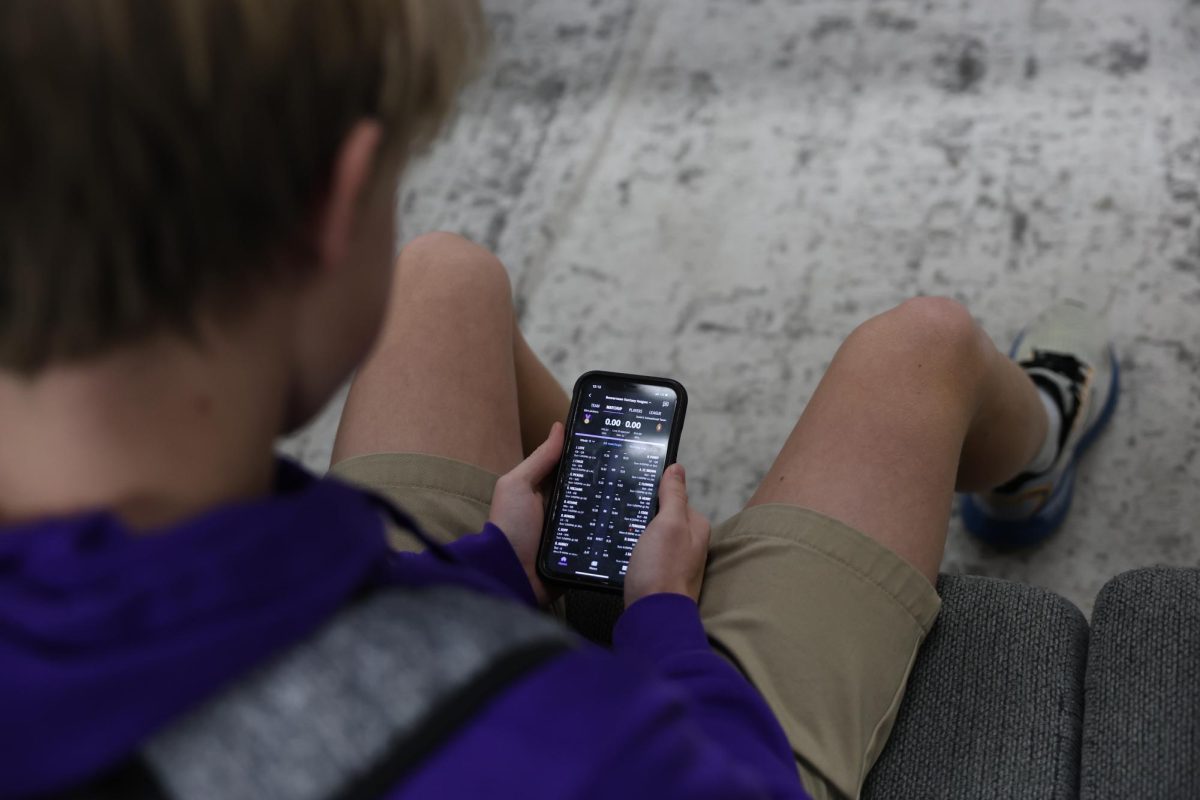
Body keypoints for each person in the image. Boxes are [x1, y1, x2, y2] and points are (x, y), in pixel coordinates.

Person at [0, 1, 1118, 799]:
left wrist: (482, 561)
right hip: (673, 724)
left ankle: (593, 515)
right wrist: (664, 619)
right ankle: (1027, 467)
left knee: (446, 273)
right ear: (329, 215)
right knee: (918, 349)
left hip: (412, 613)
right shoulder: (566, 738)